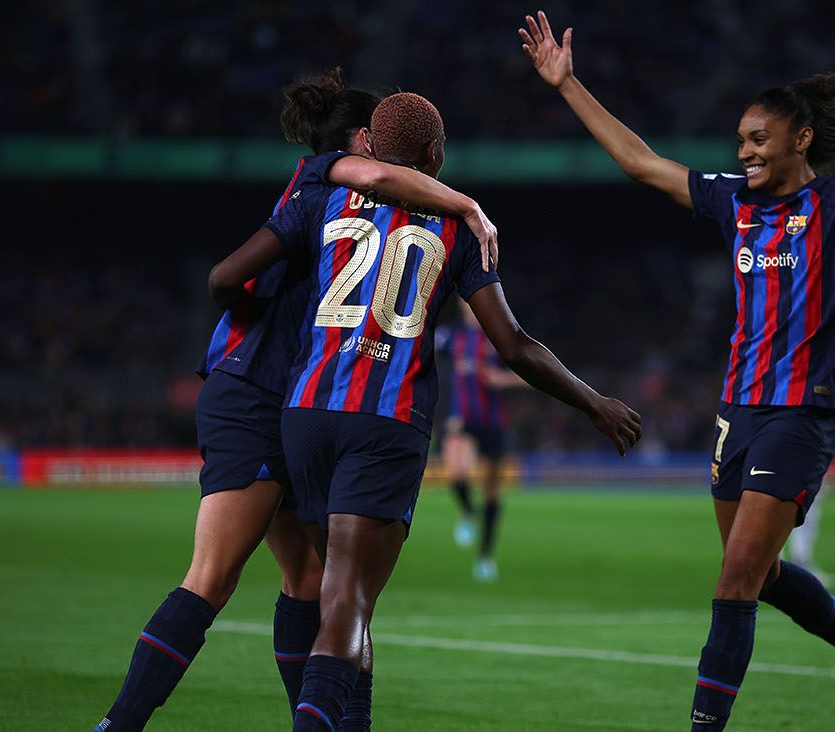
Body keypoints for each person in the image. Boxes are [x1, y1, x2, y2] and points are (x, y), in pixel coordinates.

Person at [519, 11, 835, 728]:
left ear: (801, 139)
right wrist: (568, 85)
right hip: (738, 412)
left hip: (803, 412)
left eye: (759, 139)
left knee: (733, 582)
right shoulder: (734, 201)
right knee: (760, 575)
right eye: (742, 142)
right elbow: (640, 162)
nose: (747, 151)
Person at [207, 91, 641, 732]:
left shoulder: (322, 198)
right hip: (385, 420)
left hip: (305, 414)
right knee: (348, 604)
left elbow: (223, 280)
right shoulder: (460, 229)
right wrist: (593, 402)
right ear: (436, 154)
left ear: (371, 149)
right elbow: (514, 346)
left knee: (329, 588)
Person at [93, 68, 500, 732]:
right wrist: (466, 205)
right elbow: (371, 182)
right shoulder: (329, 176)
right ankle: (119, 724)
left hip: (297, 400)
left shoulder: (339, 198)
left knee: (314, 585)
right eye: (383, 137)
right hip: (255, 388)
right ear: (363, 140)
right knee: (217, 576)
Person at [440, 299, 526, 582]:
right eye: (465, 302)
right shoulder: (451, 337)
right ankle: (467, 512)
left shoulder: (501, 336)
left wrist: (504, 379)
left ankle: (485, 557)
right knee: (457, 473)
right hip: (461, 420)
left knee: (491, 490)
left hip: (494, 422)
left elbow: (531, 375)